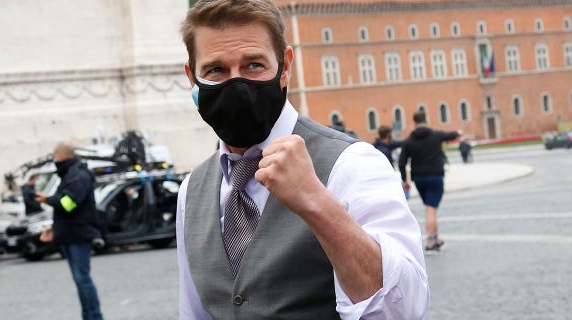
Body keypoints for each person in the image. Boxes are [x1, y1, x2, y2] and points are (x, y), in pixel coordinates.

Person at [176, 1, 429, 319]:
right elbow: (195, 312)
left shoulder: (352, 165)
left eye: (254, 65)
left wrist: (316, 203)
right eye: (216, 70)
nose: (236, 84)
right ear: (192, 78)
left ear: (285, 67)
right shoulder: (192, 190)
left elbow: (404, 309)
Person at [35, 142, 104, 320]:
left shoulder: (78, 175)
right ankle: (89, 316)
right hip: (72, 234)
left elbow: (69, 203)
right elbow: (70, 209)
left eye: (55, 157)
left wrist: (48, 200)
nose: (54, 161)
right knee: (80, 280)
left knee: (83, 279)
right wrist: (53, 227)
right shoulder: (71, 174)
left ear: (61, 157)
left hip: (79, 236)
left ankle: (95, 316)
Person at [398, 111, 461, 253]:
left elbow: (402, 162)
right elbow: (450, 135)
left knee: (430, 207)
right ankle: (430, 241)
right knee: (431, 209)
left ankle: (436, 239)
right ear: (426, 120)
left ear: (414, 123)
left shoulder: (409, 141)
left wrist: (404, 180)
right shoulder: (435, 135)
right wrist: (458, 132)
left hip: (419, 179)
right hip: (435, 176)